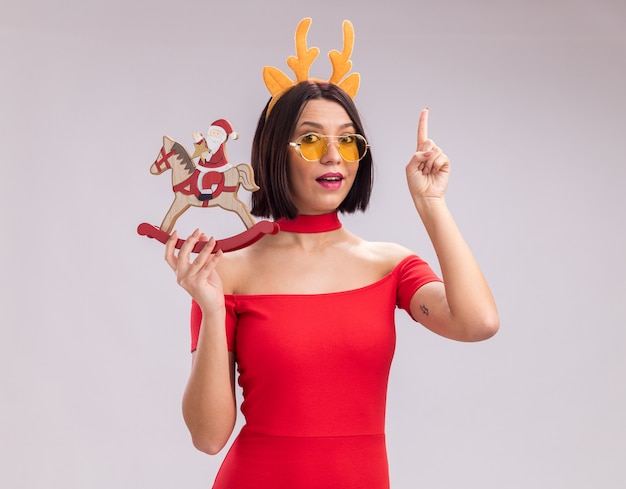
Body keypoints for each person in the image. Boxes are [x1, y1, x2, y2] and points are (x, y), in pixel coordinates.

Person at [164, 21, 499, 489]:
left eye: (347, 139)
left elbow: (478, 322)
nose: (333, 156)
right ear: (275, 153)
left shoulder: (391, 267)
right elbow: (208, 436)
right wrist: (211, 307)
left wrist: (431, 204)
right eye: (311, 139)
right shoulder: (226, 274)